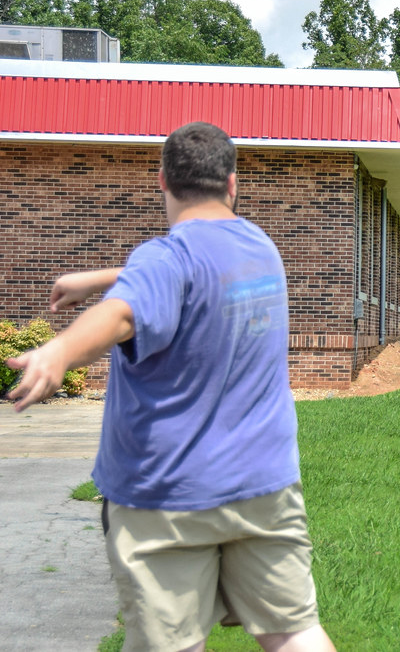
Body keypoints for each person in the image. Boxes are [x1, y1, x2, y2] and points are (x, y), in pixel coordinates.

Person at [5, 122, 336, 652]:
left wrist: (58, 352)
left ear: (162, 180)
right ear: (232, 184)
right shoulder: (260, 248)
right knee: (293, 632)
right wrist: (98, 278)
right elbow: (189, 272)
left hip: (169, 496)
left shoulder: (163, 260)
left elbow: (122, 313)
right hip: (264, 486)